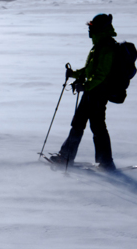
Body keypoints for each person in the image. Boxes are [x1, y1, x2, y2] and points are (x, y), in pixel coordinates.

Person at [48, 13, 119, 170]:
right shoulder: (99, 46)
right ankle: (69, 157)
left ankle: (104, 162)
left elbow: (101, 74)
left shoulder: (107, 47)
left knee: (95, 127)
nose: (90, 30)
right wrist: (74, 74)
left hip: (98, 93)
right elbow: (90, 70)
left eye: (92, 27)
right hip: (92, 91)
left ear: (100, 29)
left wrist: (85, 87)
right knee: (81, 124)